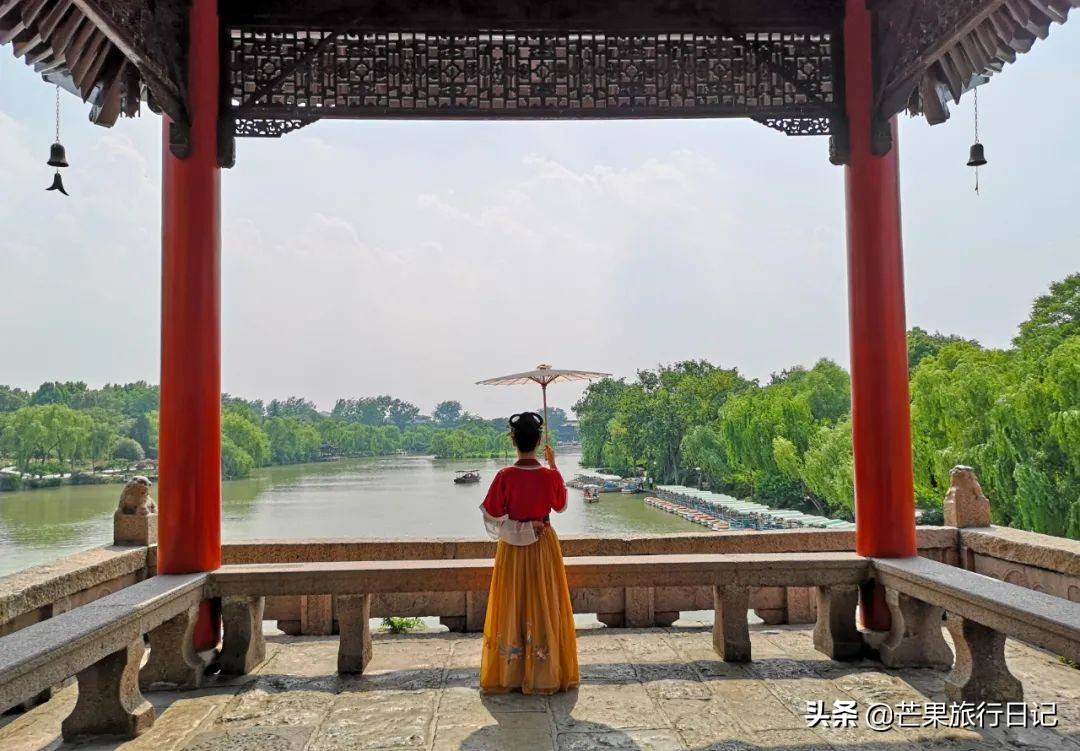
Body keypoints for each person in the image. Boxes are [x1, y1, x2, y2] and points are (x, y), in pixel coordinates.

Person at [478, 411, 579, 694]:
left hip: (512, 550)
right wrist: (554, 465)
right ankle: (545, 669)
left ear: (514, 441)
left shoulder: (504, 476)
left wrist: (518, 527)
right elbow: (560, 507)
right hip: (543, 546)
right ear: (538, 441)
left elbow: (490, 517)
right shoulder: (549, 476)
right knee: (543, 601)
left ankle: (511, 671)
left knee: (513, 603)